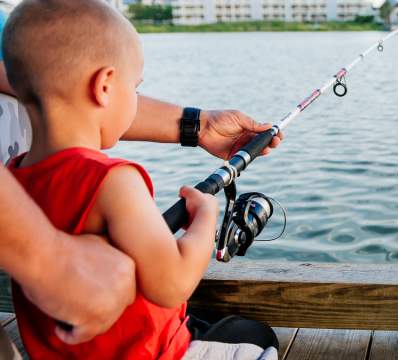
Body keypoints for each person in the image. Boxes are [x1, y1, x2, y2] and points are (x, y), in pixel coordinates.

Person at [0, 1, 282, 359]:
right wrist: (206, 216)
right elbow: (173, 284)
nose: (134, 100)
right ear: (104, 86)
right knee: (259, 342)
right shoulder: (114, 182)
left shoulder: (13, 177)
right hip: (155, 353)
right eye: (133, 88)